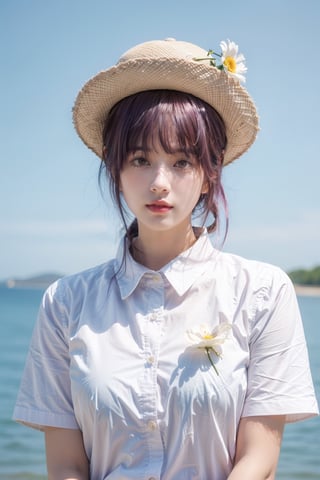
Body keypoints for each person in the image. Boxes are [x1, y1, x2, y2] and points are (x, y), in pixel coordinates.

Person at [14, 38, 318, 480]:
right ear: (115, 170)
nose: (159, 182)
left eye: (181, 161)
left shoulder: (263, 292)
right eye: (140, 159)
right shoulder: (65, 302)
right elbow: (65, 466)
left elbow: (259, 459)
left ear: (210, 173)